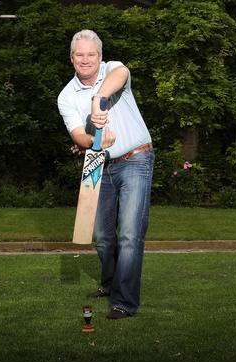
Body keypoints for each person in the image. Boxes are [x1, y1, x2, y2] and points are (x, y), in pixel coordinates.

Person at [57, 29, 154, 320]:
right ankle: (110, 284)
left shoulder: (112, 70)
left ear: (100, 56)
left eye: (91, 54)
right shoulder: (66, 96)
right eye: (79, 55)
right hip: (97, 161)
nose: (85, 60)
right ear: (72, 58)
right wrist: (91, 140)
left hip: (136, 158)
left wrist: (99, 99)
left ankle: (124, 302)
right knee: (100, 236)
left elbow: (121, 73)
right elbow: (78, 136)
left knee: (129, 232)